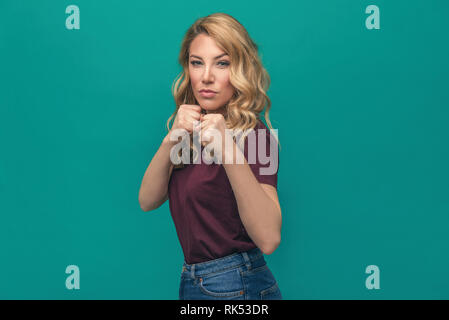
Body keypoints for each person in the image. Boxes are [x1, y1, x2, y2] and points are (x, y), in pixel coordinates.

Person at [138, 13, 282, 300]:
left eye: (222, 63)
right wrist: (172, 137)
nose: (206, 77)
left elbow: (269, 239)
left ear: (240, 68)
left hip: (237, 284)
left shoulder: (255, 134)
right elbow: (147, 200)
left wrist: (227, 148)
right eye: (197, 63)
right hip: (196, 281)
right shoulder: (189, 132)